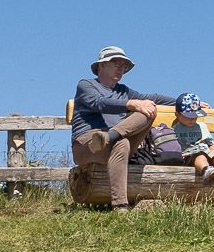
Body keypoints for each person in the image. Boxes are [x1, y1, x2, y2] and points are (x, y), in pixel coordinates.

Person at [71, 46, 178, 211]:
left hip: (112, 140)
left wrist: (184, 102)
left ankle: (120, 207)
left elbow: (154, 98)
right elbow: (99, 103)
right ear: (102, 65)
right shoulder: (86, 85)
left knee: (147, 110)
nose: (121, 69)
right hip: (87, 144)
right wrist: (131, 103)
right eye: (116, 64)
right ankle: (120, 204)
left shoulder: (124, 91)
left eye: (124, 66)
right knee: (124, 141)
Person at [173, 94, 214, 186]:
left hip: (207, 151)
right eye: (189, 116)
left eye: (195, 116)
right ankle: (207, 171)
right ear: (177, 115)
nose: (192, 119)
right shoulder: (176, 129)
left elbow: (210, 144)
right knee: (200, 156)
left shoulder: (202, 126)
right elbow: (174, 146)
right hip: (190, 154)